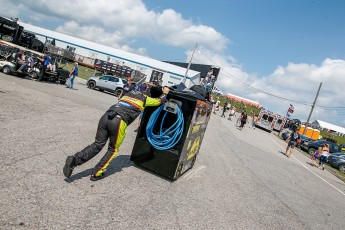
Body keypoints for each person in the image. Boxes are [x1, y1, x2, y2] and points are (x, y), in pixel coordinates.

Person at [63, 86, 170, 181]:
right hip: (118, 121)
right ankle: (96, 173)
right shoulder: (144, 98)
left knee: (97, 144)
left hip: (106, 116)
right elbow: (159, 101)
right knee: (113, 149)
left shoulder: (127, 95)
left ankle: (74, 160)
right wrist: (165, 93)